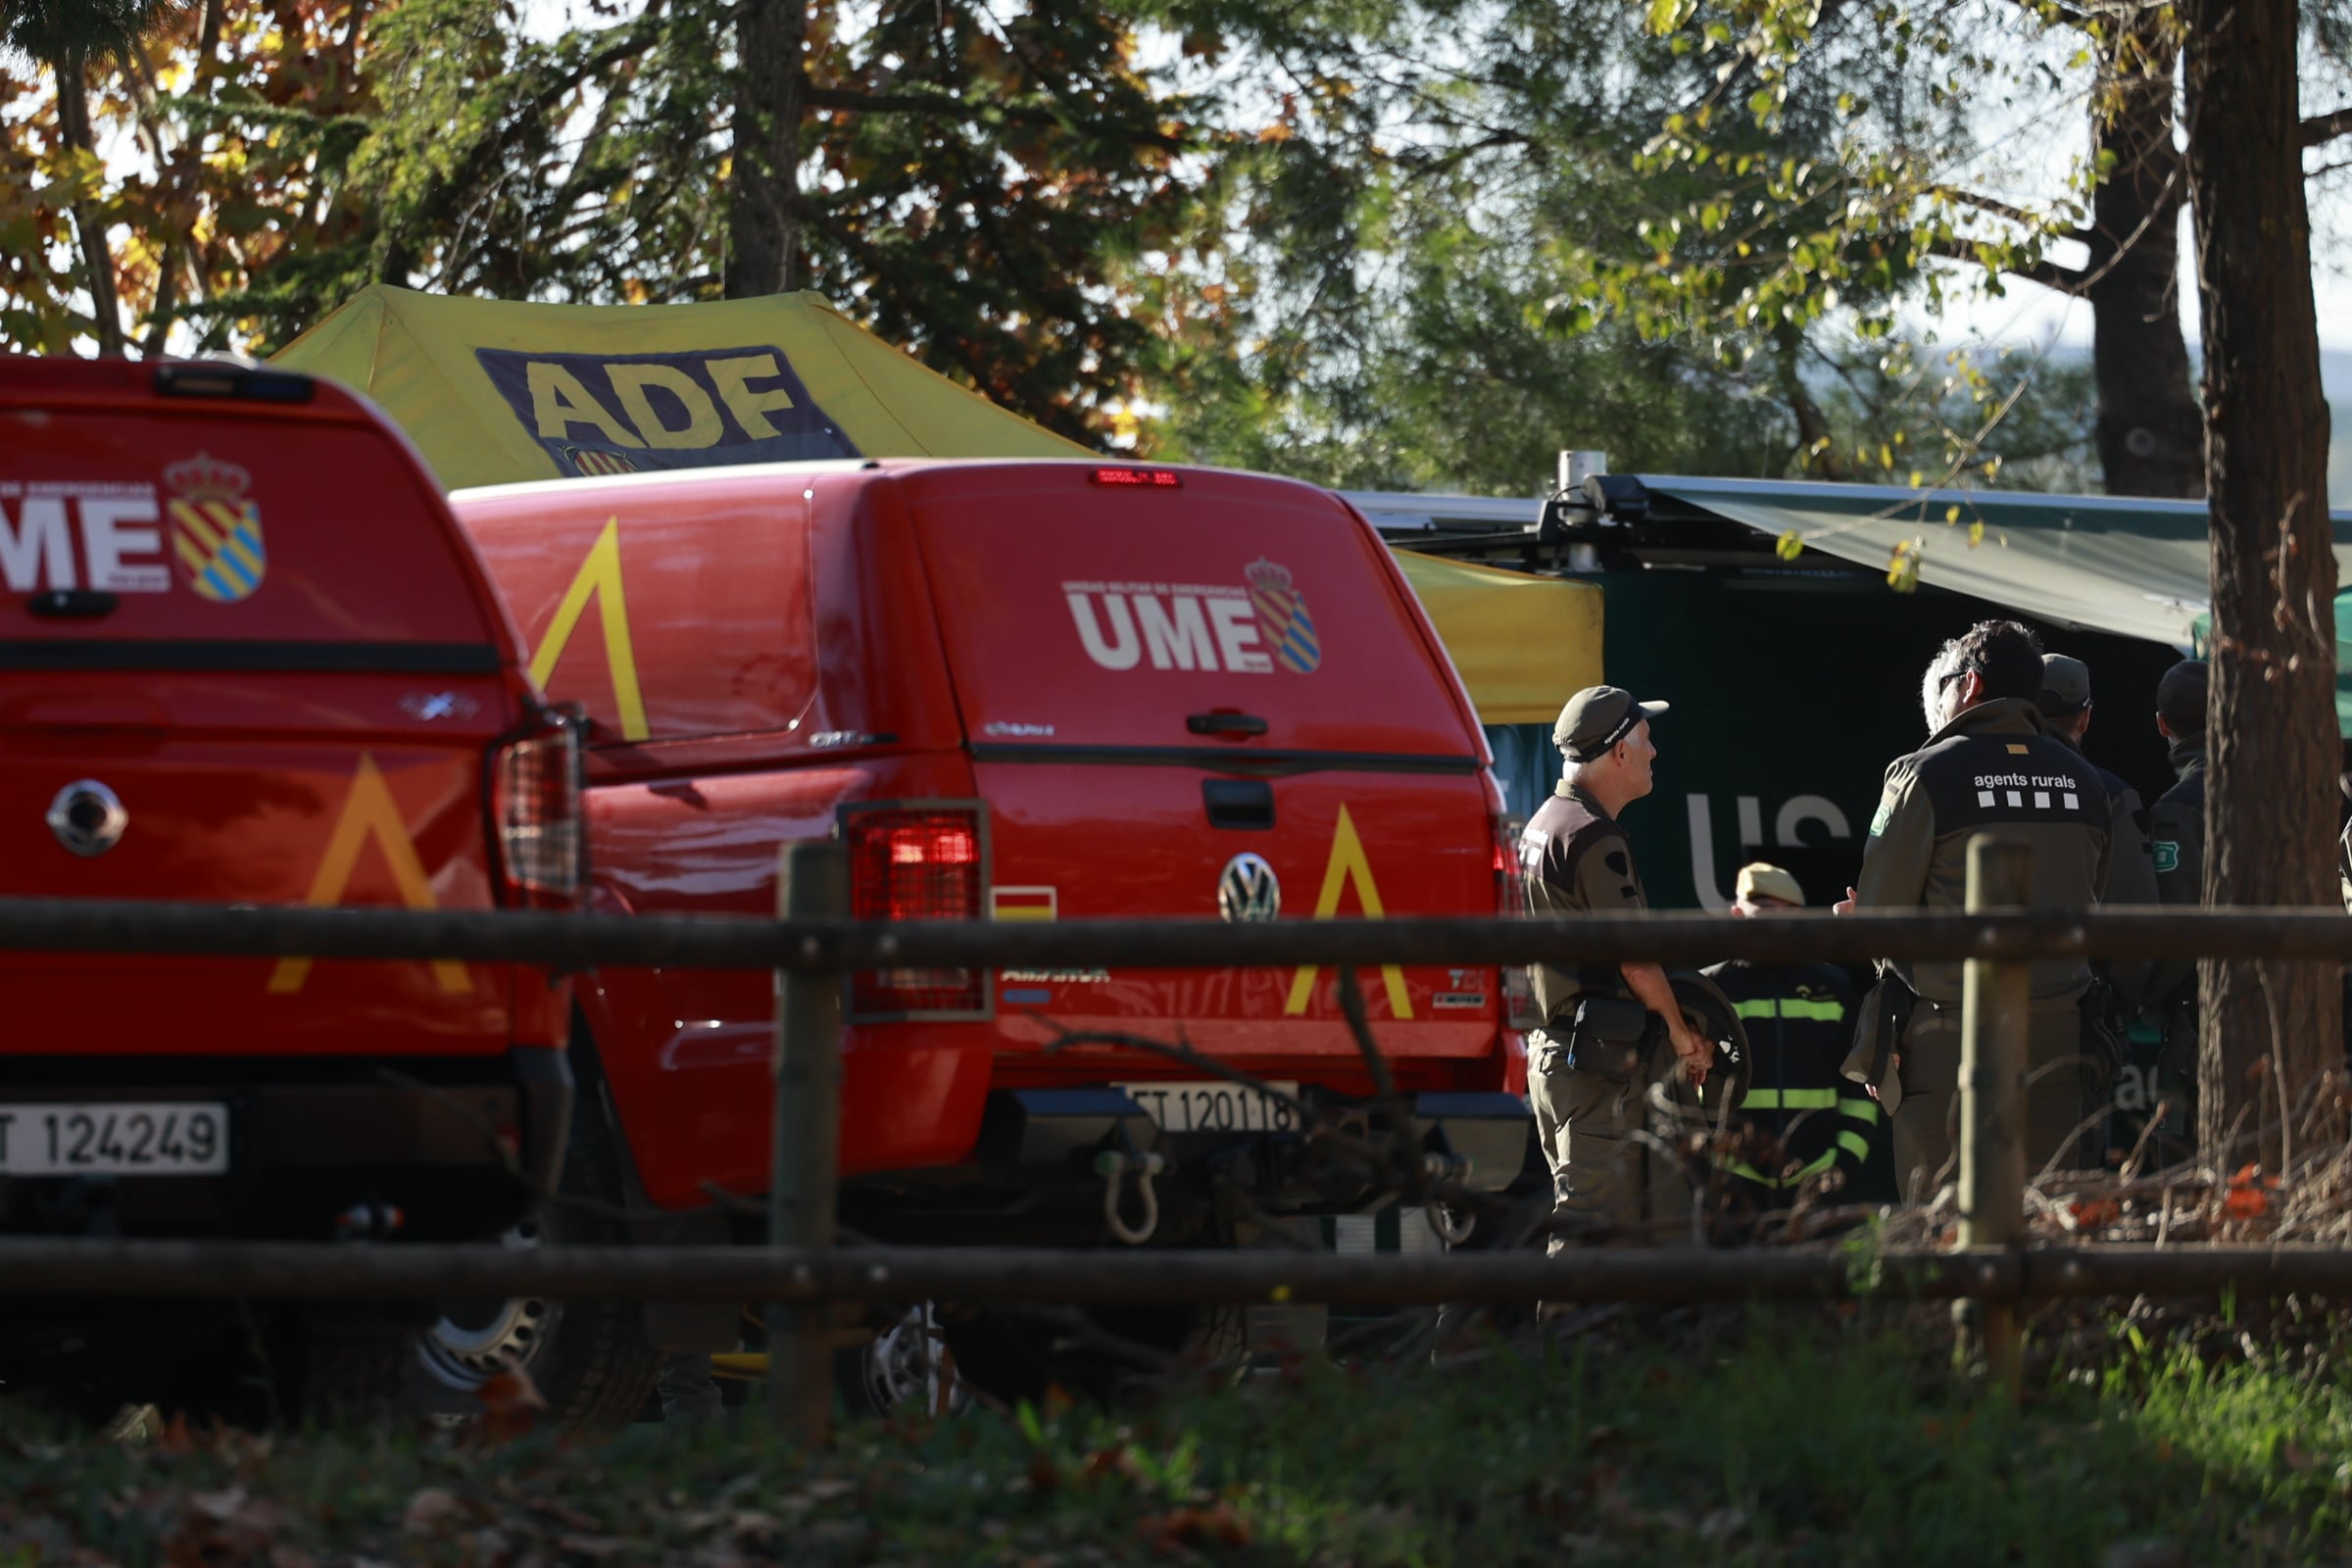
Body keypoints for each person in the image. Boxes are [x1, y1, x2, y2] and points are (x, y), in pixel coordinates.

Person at [1835, 620, 2112, 1200]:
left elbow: (1879, 920)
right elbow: (2094, 899)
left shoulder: (1922, 773)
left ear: (1970, 684)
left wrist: (1860, 922)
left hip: (1949, 1040)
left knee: (1943, 1222)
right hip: (2061, 1036)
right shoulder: (2086, 781)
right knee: (2050, 1217)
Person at [1521, 685, 1710, 1244]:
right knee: (1589, 1237)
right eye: (1646, 740)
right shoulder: (1592, 835)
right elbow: (1637, 963)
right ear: (1619, 751)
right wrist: (1682, 1035)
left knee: (1595, 1229)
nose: (1654, 752)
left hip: (1556, 1055)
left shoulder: (1544, 822)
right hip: (1590, 1069)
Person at [1702, 863, 1887, 1209]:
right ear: (1738, 914)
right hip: (1731, 1186)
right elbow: (1686, 1088)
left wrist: (1843, 1163)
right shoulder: (1711, 989)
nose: (1778, 921)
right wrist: (1712, 1163)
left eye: (1788, 911)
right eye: (1765, 910)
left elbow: (1858, 1082)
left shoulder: (1833, 986)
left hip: (1818, 1182)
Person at [2035, 654, 2162, 1008]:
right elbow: (2135, 918)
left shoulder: (1977, 779)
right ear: (2086, 717)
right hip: (2074, 1002)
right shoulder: (2109, 793)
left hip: (1977, 996)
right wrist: (2123, 996)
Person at [2143, 661, 2209, 1014]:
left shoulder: (2178, 807)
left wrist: (2148, 993)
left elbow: (2180, 921)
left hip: (2205, 1004)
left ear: (2161, 724)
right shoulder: (2281, 788)